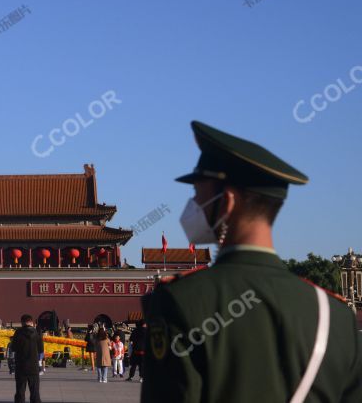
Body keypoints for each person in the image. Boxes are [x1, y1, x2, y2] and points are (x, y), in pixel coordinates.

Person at [141, 121, 362, 402]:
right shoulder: (336, 316)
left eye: (198, 194)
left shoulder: (180, 302)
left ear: (228, 201)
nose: (192, 204)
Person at [10, 314, 43, 403]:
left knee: (20, 391)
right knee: (35, 392)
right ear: (31, 322)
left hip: (21, 366)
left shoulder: (18, 333)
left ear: (22, 322)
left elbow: (13, 348)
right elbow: (41, 350)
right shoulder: (37, 333)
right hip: (33, 366)